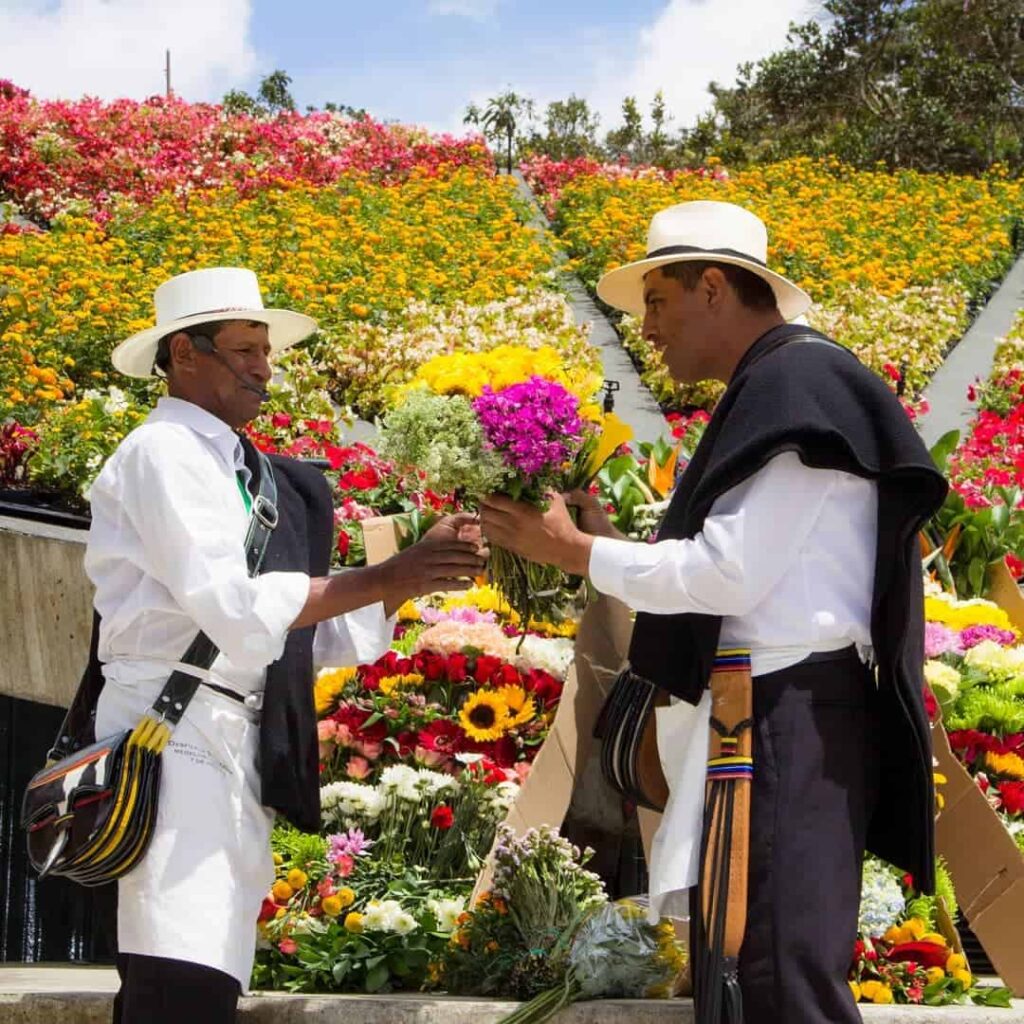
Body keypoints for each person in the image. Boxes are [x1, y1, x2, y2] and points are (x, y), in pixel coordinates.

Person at [481, 200, 947, 1023]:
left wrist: (577, 553)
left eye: (657, 302)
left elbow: (729, 576)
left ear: (710, 288)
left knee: (776, 984)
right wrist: (607, 544)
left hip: (785, 718)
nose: (647, 330)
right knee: (753, 976)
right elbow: (751, 571)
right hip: (779, 714)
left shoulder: (795, 383)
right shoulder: (786, 381)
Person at [86, 267, 487, 1023]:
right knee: (179, 981)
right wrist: (385, 573)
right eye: (244, 350)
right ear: (182, 354)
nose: (264, 369)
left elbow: (299, 636)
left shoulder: (244, 470)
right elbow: (238, 612)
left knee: (199, 979)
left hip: (227, 737)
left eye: (265, 351)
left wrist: (405, 582)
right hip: (170, 733)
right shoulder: (162, 453)